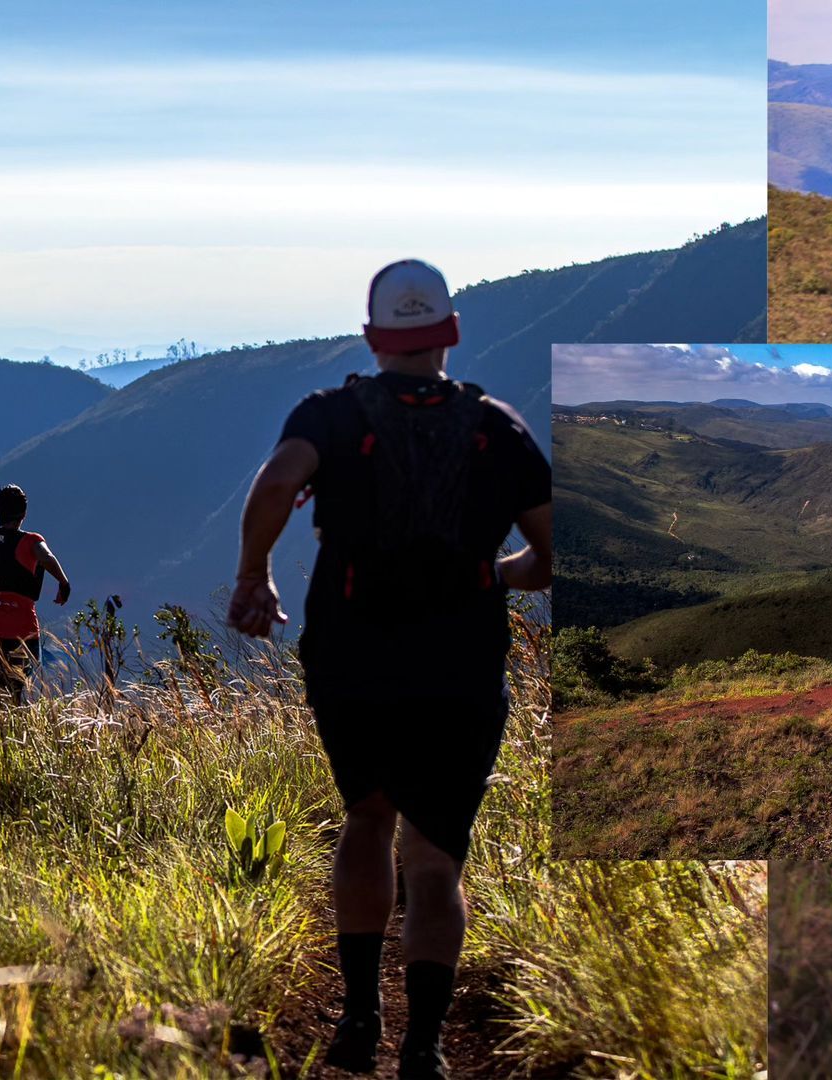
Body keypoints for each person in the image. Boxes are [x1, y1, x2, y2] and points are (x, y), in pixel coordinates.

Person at [227, 259, 551, 1079]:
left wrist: (253, 575)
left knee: (366, 818)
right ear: (449, 333)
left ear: (374, 337)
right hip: (460, 663)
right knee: (436, 862)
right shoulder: (500, 429)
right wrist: (507, 572)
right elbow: (550, 551)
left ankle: (362, 1013)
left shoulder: (330, 414)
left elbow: (275, 481)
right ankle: (425, 1046)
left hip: (352, 653)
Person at [0, 484, 71, 702]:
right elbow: (46, 558)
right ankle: (9, 730)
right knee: (15, 691)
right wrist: (63, 582)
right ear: (24, 513)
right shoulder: (31, 540)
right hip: (22, 633)